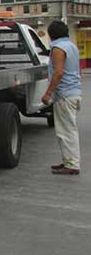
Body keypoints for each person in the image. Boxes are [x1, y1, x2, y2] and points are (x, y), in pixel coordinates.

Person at [42, 20, 82, 175]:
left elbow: (58, 73)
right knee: (68, 129)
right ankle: (68, 161)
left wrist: (48, 93)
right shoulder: (71, 46)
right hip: (74, 93)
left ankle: (72, 165)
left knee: (66, 131)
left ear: (51, 35)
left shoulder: (58, 49)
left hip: (65, 95)